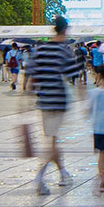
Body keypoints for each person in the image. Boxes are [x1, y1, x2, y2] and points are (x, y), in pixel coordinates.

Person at [30, 18, 79, 195]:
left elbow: (31, 71)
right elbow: (72, 73)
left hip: (43, 99)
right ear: (65, 29)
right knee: (51, 141)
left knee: (52, 138)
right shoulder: (64, 50)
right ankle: (39, 176)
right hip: (58, 99)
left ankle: (63, 173)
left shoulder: (41, 48)